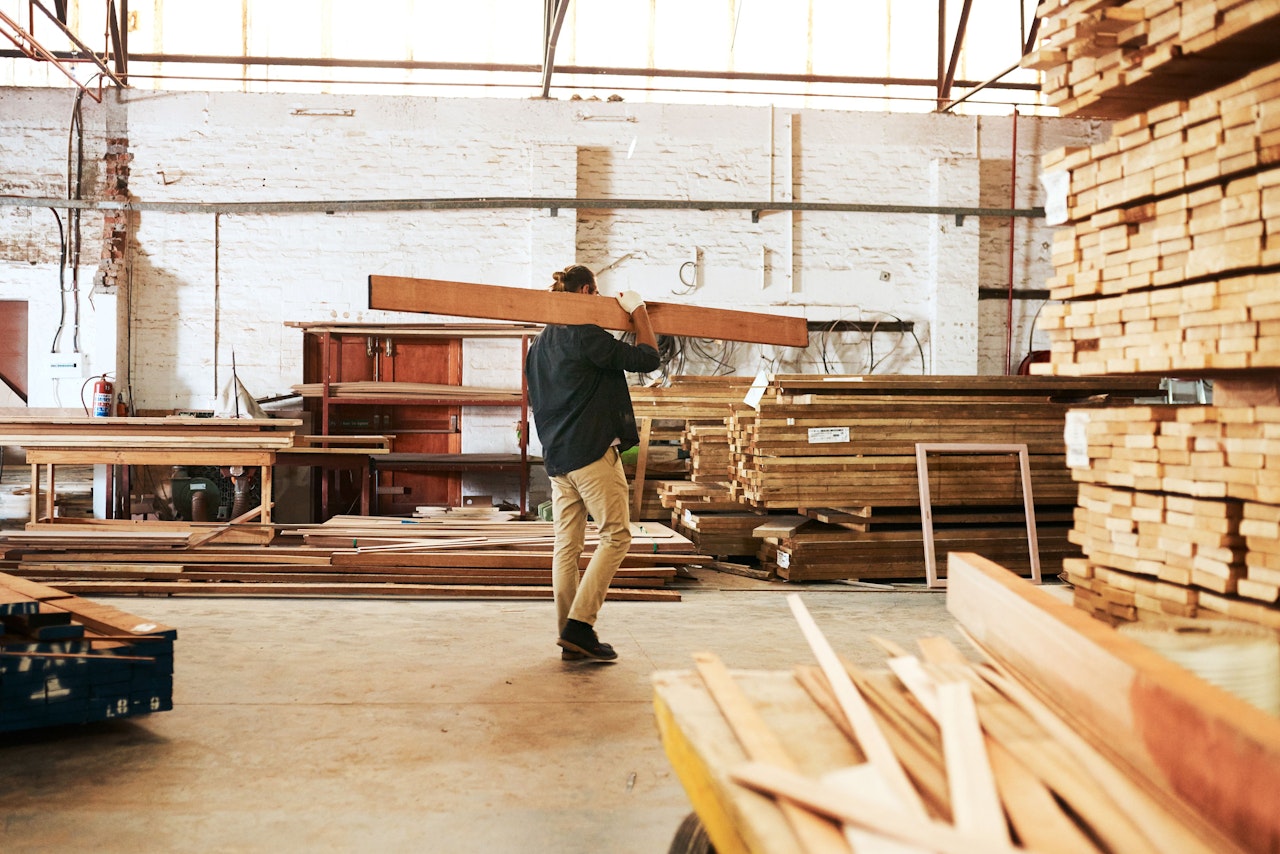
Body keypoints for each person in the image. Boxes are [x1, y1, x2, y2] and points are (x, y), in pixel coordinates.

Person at [525, 264, 660, 662]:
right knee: (616, 535)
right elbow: (648, 358)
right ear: (585, 292)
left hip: (557, 459)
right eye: (598, 292)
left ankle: (569, 634)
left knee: (566, 546)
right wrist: (639, 312)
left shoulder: (539, 344)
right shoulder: (585, 334)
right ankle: (581, 627)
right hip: (590, 455)